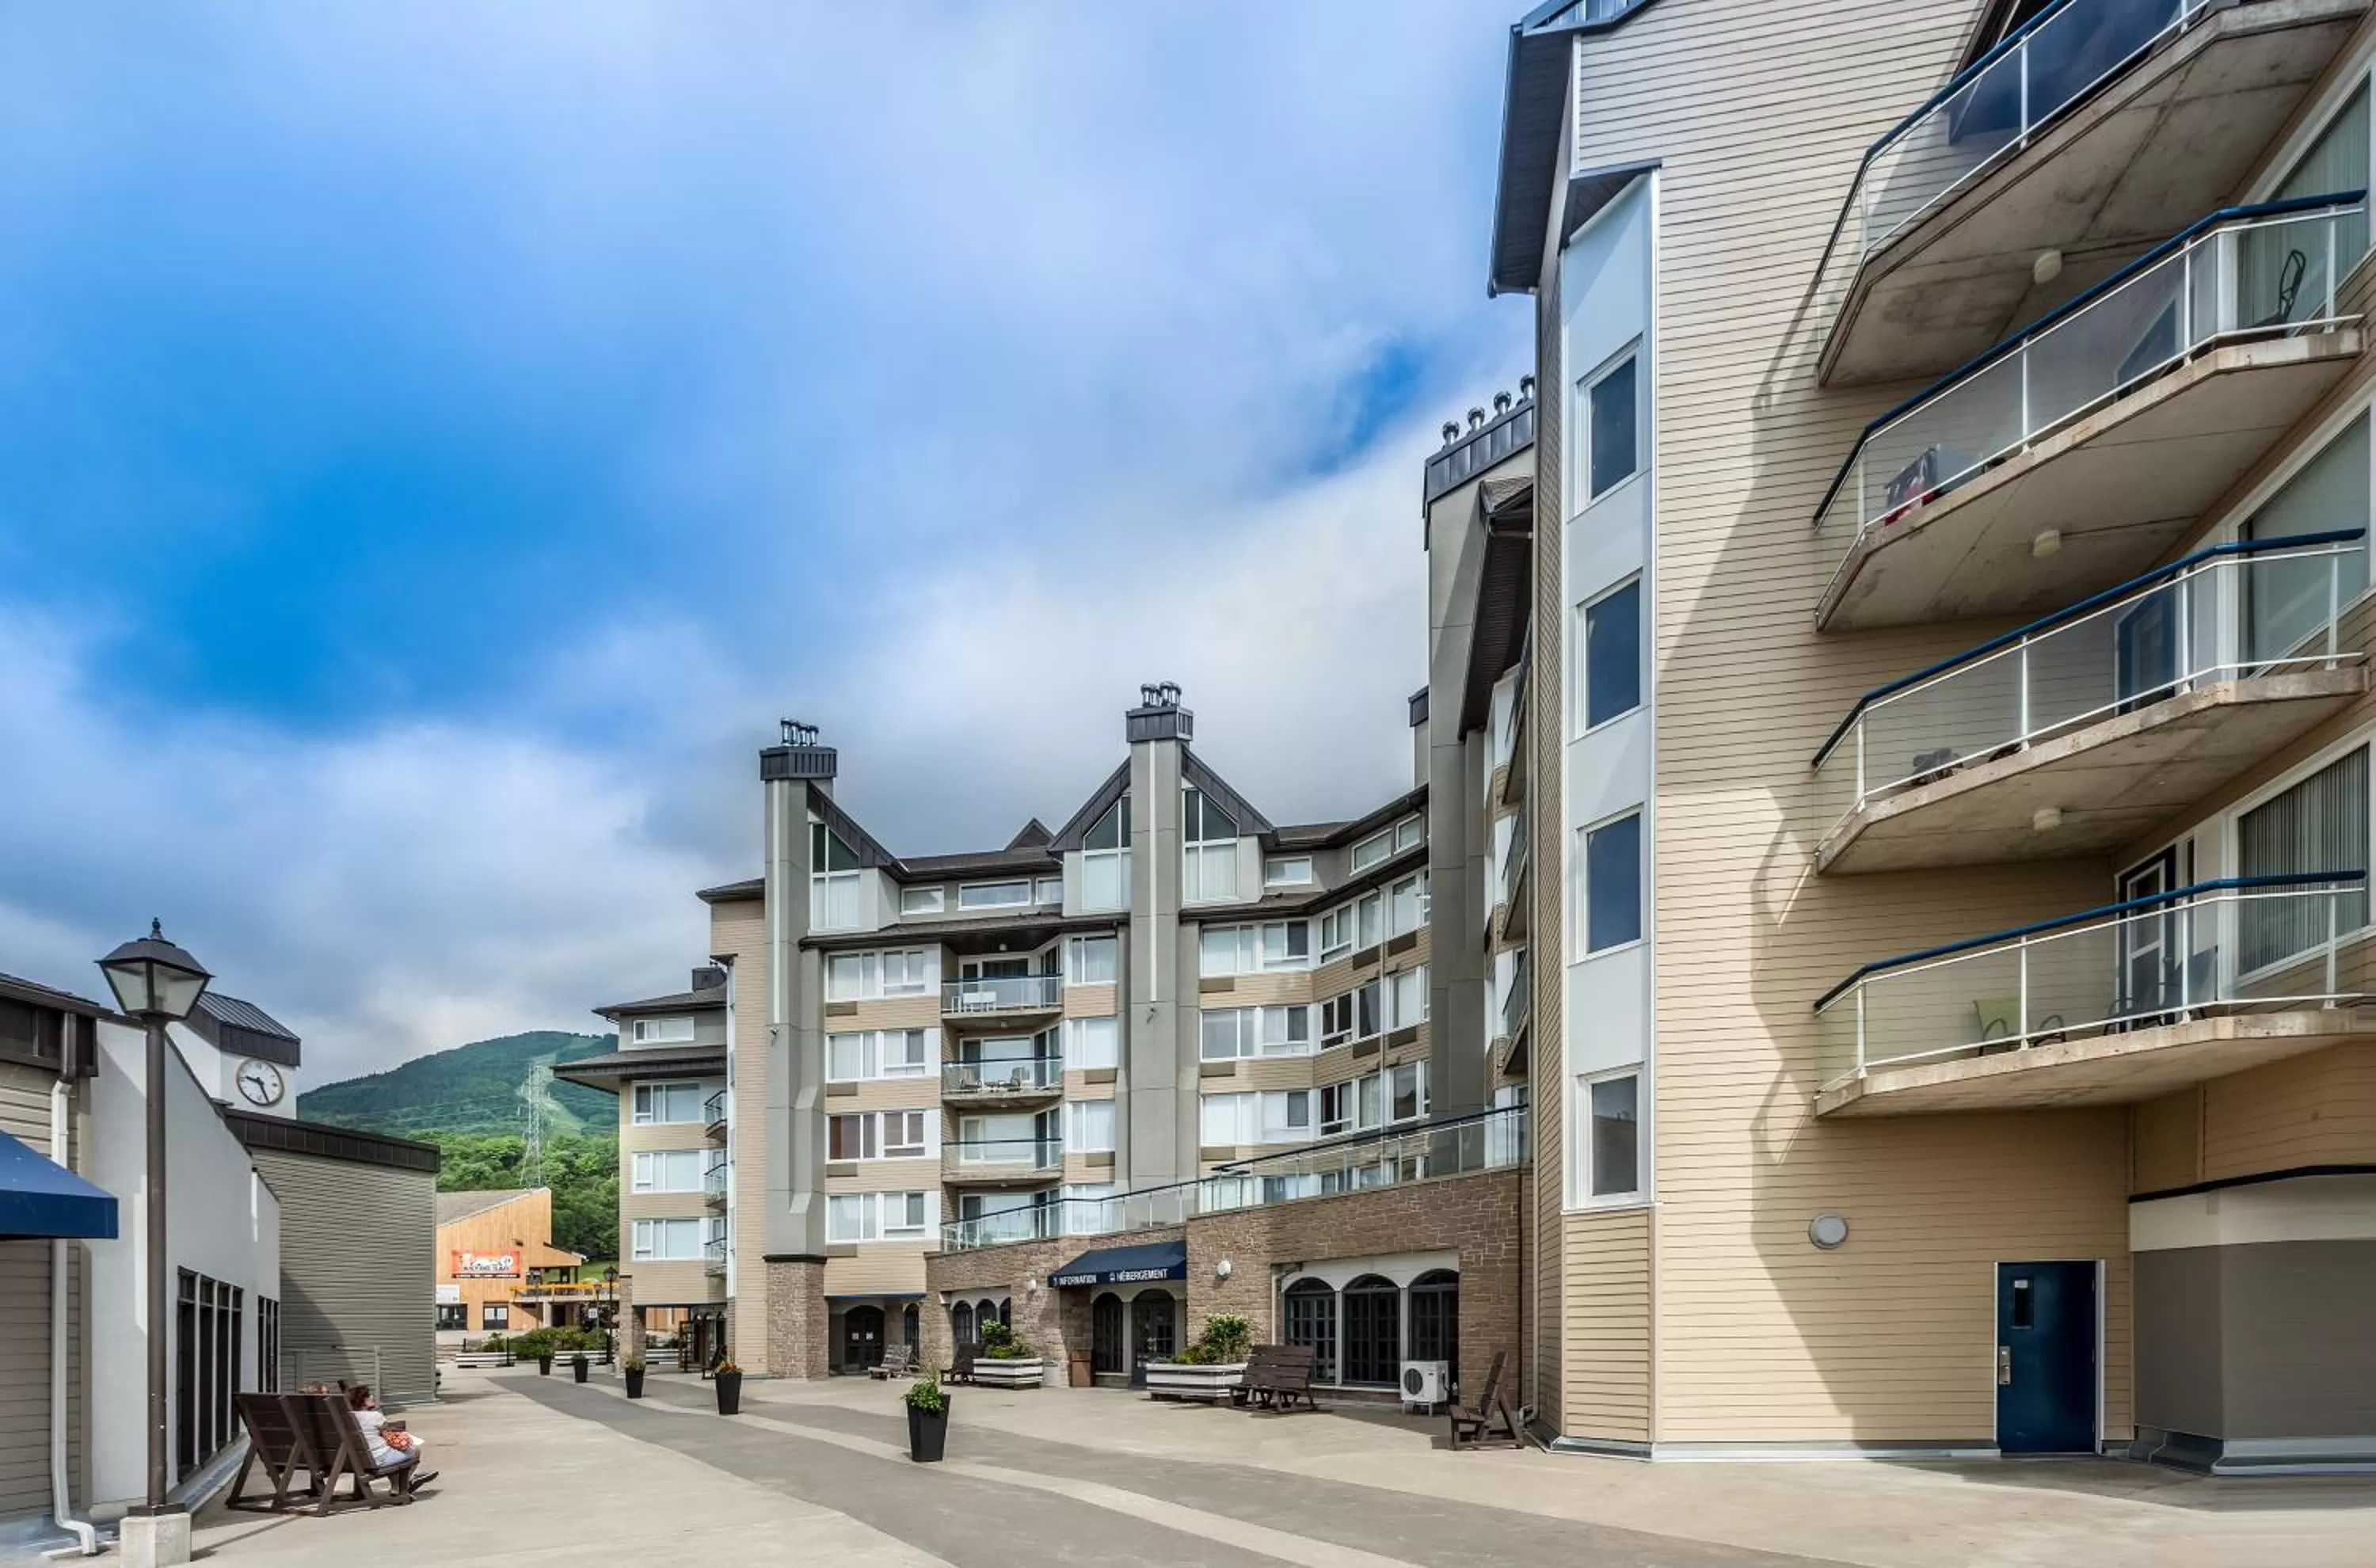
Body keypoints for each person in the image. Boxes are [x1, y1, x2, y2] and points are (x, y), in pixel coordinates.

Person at [345, 1384, 437, 1488]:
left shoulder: (345, 1417)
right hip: (376, 1459)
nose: (372, 1397)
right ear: (362, 1400)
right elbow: (387, 1429)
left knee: (391, 1451)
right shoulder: (375, 1416)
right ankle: (402, 1486)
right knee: (414, 1451)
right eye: (368, 1395)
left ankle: (397, 1486)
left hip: (353, 1459)